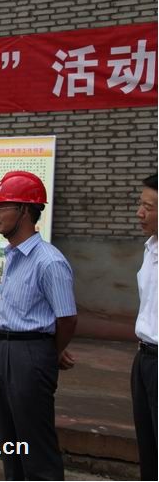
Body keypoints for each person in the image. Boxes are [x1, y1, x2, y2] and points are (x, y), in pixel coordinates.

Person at [0, 171, 77, 480]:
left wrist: (51, 350)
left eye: (3, 206)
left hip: (31, 353)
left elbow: (67, 318)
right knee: (11, 436)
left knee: (34, 440)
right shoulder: (14, 255)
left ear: (25, 210)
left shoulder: (49, 261)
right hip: (5, 350)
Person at [132, 173, 157, 481]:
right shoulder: (150, 248)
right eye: (140, 204)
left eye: (148, 207)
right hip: (144, 359)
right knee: (148, 446)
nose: (140, 213)